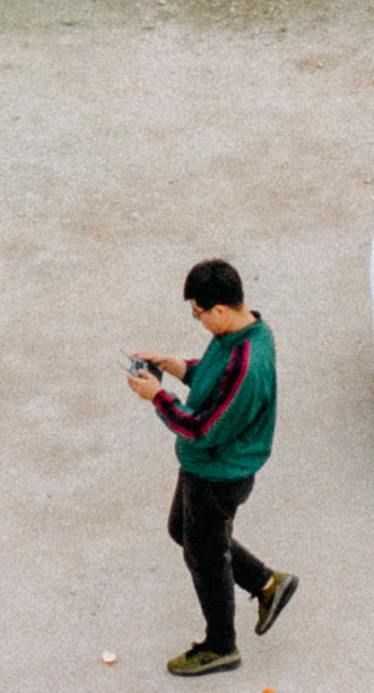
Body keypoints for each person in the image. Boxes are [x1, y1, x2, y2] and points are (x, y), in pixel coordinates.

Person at [127, 256, 293, 673]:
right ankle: (267, 583)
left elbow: (201, 428)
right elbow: (214, 379)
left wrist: (158, 398)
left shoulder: (247, 365)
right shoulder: (243, 330)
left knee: (203, 554)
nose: (198, 321)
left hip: (219, 473)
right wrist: (175, 366)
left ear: (220, 309)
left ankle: (221, 646)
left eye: (199, 313)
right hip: (206, 465)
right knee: (183, 532)